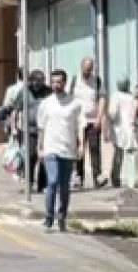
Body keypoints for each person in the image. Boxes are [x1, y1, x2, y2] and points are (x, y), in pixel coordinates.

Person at [37, 69, 84, 232]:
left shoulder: (75, 103)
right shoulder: (46, 104)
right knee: (52, 181)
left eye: (59, 82)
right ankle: (49, 217)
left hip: (68, 149)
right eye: (53, 82)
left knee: (64, 186)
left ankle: (62, 216)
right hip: (51, 148)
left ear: (64, 83)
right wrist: (40, 147)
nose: (56, 85)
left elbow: (80, 126)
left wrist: (81, 146)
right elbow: (41, 127)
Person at [69, 56, 106, 189]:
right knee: (79, 149)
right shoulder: (74, 80)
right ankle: (78, 177)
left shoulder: (96, 80)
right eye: (85, 69)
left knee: (95, 148)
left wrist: (99, 117)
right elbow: (69, 98)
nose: (87, 71)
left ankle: (97, 177)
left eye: (90, 69)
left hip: (93, 120)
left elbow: (102, 98)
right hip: (78, 120)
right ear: (81, 67)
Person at [106, 77, 138, 189]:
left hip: (119, 129)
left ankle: (115, 177)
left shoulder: (115, 96)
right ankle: (132, 181)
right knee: (131, 155)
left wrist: (110, 122)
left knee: (118, 154)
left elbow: (112, 113)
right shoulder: (132, 97)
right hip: (131, 128)